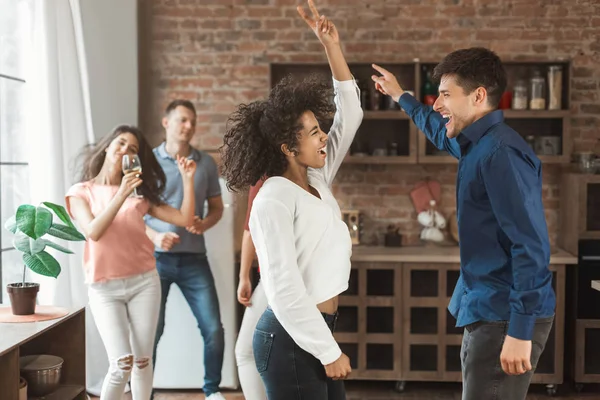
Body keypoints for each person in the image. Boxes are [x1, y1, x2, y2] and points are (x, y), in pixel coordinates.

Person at [371, 48, 555, 400]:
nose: (437, 104)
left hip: (505, 313)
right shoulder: (476, 144)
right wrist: (400, 96)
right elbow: (439, 132)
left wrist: (520, 331)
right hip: (490, 308)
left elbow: (530, 246)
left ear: (478, 96)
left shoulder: (501, 154)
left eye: (445, 95)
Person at [220, 1, 363, 398]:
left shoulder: (317, 176)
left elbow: (350, 116)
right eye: (314, 133)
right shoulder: (272, 199)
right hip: (288, 340)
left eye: (321, 129)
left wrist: (331, 46)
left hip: (317, 332)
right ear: (287, 147)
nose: (324, 138)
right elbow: (282, 287)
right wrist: (328, 350)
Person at [66, 125, 196, 400]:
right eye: (121, 143)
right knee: (121, 363)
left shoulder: (140, 194)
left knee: (142, 362)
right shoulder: (81, 192)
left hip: (144, 282)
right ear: (107, 146)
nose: (126, 150)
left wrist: (187, 179)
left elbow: (185, 218)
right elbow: (94, 232)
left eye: (133, 148)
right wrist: (122, 193)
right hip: (104, 289)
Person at [144, 99, 225, 400]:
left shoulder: (205, 163)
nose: (188, 126)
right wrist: (153, 235)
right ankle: (144, 390)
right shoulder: (148, 163)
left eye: (192, 121)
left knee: (213, 328)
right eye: (182, 120)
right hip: (155, 261)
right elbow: (133, 210)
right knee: (152, 330)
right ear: (166, 122)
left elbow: (216, 208)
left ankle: (212, 390)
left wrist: (205, 224)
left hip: (194, 260)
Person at [234, 176, 268, 400]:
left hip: (277, 282)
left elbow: (250, 229)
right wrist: (245, 276)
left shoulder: (266, 177)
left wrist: (244, 276)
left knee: (246, 352)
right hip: (286, 280)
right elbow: (250, 229)